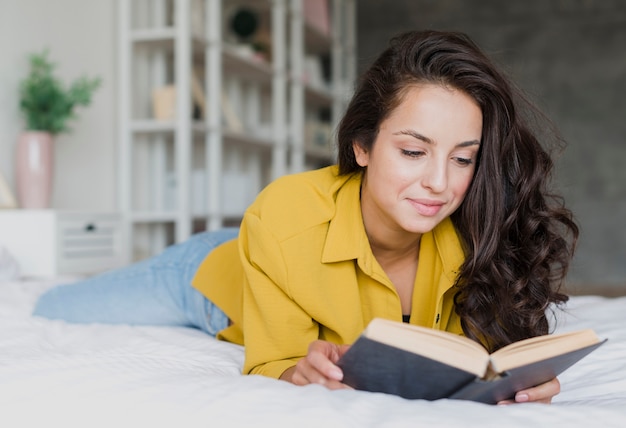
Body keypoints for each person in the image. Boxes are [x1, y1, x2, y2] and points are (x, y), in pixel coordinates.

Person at [33, 30, 579, 404]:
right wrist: (298, 371)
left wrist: (521, 376)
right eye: (413, 151)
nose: (441, 182)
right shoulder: (282, 217)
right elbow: (275, 362)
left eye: (462, 158)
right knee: (55, 304)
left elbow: (482, 352)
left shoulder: (472, 226)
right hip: (209, 277)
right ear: (362, 146)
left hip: (277, 243)